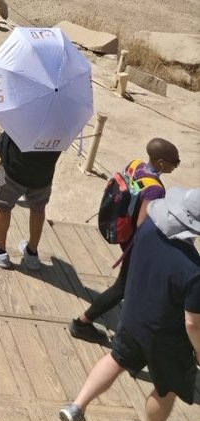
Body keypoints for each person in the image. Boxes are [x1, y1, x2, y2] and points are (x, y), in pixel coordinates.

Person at [59, 188, 200, 421]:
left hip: (133, 315)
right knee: (167, 388)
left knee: (116, 359)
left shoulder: (147, 230)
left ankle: (76, 407)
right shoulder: (195, 271)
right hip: (165, 337)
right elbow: (193, 323)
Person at [70, 138, 181, 341]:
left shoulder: (135, 165)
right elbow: (143, 224)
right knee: (122, 287)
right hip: (135, 243)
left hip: (123, 230)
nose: (176, 165)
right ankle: (82, 323)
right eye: (175, 162)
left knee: (135, 286)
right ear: (161, 163)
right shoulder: (155, 189)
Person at [0, 131, 63, 270]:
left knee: (2, 206)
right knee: (38, 208)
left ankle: (0, 251)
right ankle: (32, 252)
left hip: (14, 168)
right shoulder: (65, 121)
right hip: (43, 172)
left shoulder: (27, 116)